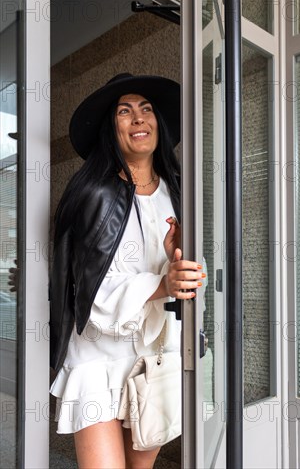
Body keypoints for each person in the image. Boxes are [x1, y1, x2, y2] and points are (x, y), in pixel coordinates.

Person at [49, 73, 204, 469]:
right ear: (111, 127)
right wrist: (162, 283)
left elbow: (194, 278)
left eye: (146, 109)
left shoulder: (180, 193)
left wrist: (178, 266)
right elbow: (89, 299)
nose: (138, 119)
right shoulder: (91, 195)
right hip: (98, 359)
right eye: (125, 111)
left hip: (155, 359)